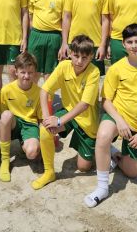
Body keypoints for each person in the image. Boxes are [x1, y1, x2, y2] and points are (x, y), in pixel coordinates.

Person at [84, 23, 137, 207]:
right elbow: (106, 100)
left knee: (132, 172)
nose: (134, 46)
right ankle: (102, 187)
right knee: (103, 135)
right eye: (129, 42)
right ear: (123, 44)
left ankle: (114, 154)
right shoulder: (116, 68)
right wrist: (119, 121)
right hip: (117, 118)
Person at [32, 35, 100, 190]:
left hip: (87, 121)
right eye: (76, 56)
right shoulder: (63, 66)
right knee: (45, 130)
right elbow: (44, 91)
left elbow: (84, 105)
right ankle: (49, 172)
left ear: (91, 57)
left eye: (84, 57)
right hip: (69, 113)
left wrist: (59, 121)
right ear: (70, 53)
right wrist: (46, 118)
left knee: (83, 167)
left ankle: (103, 146)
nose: (79, 61)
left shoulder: (94, 72)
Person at [59, 0, 110, 76]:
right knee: (72, 77)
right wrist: (64, 43)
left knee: (94, 78)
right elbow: (66, 17)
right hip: (74, 42)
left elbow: (105, 21)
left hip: (95, 44)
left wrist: (103, 45)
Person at [0, 52, 41, 182]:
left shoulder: (39, 92)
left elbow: (41, 120)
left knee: (32, 153)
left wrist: (42, 144)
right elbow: (0, 118)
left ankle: (25, 145)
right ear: (16, 72)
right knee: (6, 115)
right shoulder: (6, 90)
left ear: (35, 73)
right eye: (23, 72)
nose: (26, 76)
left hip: (29, 124)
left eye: (30, 72)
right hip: (13, 123)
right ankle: (5, 160)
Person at [28, 0, 66, 82]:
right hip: (36, 35)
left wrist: (64, 43)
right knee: (33, 70)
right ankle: (33, 95)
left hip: (54, 36)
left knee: (49, 73)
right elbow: (30, 18)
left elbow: (65, 20)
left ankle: (47, 95)